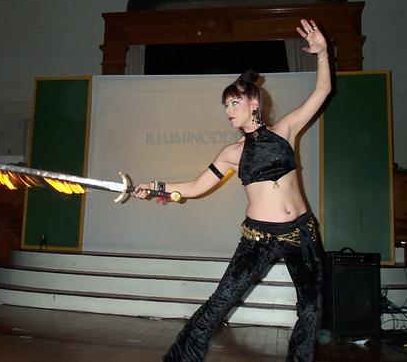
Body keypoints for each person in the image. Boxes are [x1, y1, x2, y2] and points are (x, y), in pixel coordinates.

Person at [133, 19, 331, 362]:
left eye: (234, 103)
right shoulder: (231, 153)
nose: (228, 110)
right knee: (220, 302)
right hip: (259, 238)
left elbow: (322, 92)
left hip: (302, 233)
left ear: (254, 103)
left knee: (312, 308)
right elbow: (196, 187)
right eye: (225, 106)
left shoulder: (285, 130)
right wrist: (156, 188)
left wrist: (323, 54)